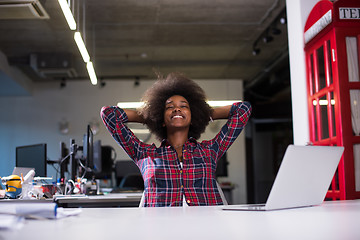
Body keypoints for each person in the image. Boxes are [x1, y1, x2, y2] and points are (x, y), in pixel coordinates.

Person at [100, 73, 252, 207]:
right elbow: (109, 114)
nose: (177, 109)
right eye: (169, 107)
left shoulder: (209, 151)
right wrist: (149, 117)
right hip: (160, 229)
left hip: (207, 227)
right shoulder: (145, 155)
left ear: (192, 117)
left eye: (184, 106)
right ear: (162, 119)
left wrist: (203, 114)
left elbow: (243, 109)